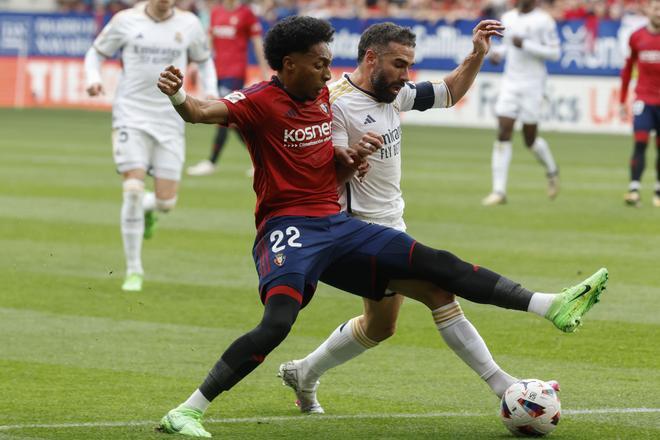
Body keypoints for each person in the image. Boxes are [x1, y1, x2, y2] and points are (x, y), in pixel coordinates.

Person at [155, 16, 607, 438]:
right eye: (319, 63)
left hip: (343, 226)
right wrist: (178, 95)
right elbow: (202, 112)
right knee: (280, 322)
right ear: (293, 64)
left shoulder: (347, 96)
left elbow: (445, 92)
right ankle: (189, 409)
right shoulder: (302, 101)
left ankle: (548, 307)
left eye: (329, 62)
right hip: (298, 225)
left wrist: (474, 55)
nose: (327, 71)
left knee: (426, 280)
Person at [276, 21, 519, 415]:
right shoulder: (335, 102)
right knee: (440, 291)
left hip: (391, 224)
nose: (406, 75)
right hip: (357, 232)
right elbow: (326, 166)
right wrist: (351, 158)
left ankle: (304, 372)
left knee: (380, 326)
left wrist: (477, 54)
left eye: (409, 65)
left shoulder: (391, 93)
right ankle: (505, 386)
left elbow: (449, 92)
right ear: (372, 57)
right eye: (399, 64)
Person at [84, 0, 217, 291]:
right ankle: (134, 270)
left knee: (166, 203)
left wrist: (211, 91)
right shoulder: (125, 20)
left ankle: (149, 208)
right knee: (131, 188)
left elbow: (205, 60)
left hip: (171, 119)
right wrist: (93, 79)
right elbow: (95, 54)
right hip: (130, 115)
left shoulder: (189, 24)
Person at [482, 0, 561, 206]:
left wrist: (526, 44)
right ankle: (499, 191)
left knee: (530, 140)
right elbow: (508, 46)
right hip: (511, 82)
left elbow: (554, 53)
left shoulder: (544, 20)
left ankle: (552, 170)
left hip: (534, 84)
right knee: (503, 130)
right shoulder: (508, 18)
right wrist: (498, 54)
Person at [186, 0, 270, 177]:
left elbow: (256, 43)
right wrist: (196, 66)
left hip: (235, 73)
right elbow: (208, 44)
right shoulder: (216, 13)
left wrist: (264, 71)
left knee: (224, 117)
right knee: (234, 122)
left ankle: (212, 161)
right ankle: (264, 159)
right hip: (217, 72)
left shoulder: (246, 14)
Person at [620, 0, 660, 208]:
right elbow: (627, 69)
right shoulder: (637, 37)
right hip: (644, 99)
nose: (659, 12)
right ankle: (634, 188)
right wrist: (621, 99)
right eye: (656, 8)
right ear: (648, 10)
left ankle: (658, 190)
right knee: (640, 141)